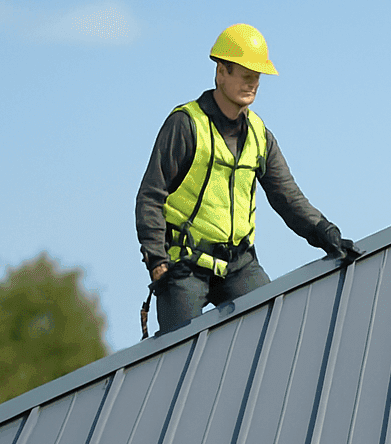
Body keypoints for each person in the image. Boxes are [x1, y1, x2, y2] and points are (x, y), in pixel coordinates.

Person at [136, 23, 358, 335]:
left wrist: (327, 233)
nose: (252, 82)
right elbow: (150, 196)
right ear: (220, 72)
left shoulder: (260, 135)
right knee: (177, 353)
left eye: (257, 75)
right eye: (244, 73)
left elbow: (288, 198)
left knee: (273, 328)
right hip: (184, 267)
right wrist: (158, 263)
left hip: (239, 265)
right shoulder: (185, 125)